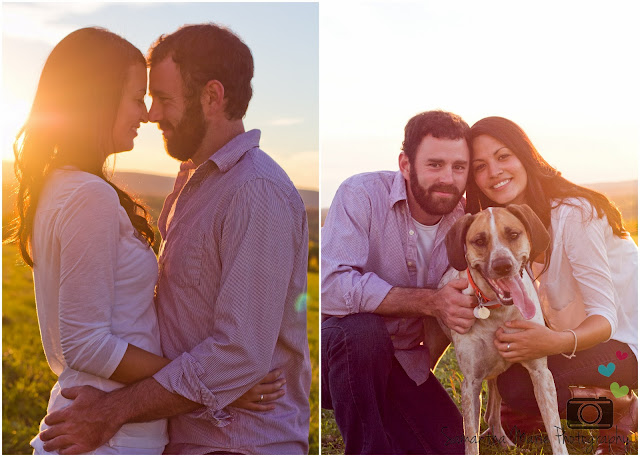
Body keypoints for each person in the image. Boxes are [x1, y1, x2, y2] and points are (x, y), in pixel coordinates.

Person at [8, 27, 284, 455]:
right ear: (97, 98)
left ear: (213, 96)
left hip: (122, 424)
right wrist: (216, 385)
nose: (149, 113)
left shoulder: (63, 187)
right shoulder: (88, 194)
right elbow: (85, 341)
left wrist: (218, 380)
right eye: (140, 97)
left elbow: (239, 352)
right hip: (108, 432)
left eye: (158, 98)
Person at [466, 116, 638, 454]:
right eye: (480, 166)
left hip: (625, 343)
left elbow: (605, 318)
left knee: (521, 394)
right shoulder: (506, 226)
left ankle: (620, 406)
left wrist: (552, 342)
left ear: (524, 155)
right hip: (575, 340)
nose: (495, 171)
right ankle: (598, 403)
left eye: (503, 156)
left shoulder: (574, 214)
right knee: (514, 394)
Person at [321, 110, 478, 454]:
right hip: (342, 357)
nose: (448, 178)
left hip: (404, 365)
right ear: (405, 164)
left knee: (452, 446)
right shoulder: (360, 194)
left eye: (459, 167)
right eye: (435, 164)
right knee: (363, 332)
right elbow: (331, 288)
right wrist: (430, 301)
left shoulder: (467, 224)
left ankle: (389, 429)